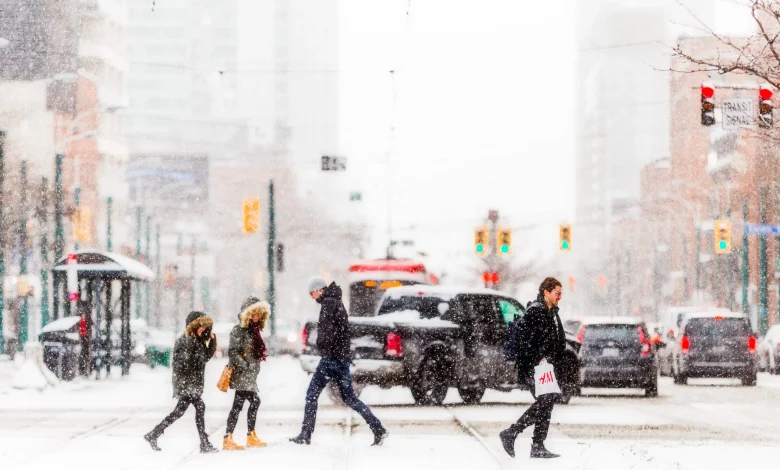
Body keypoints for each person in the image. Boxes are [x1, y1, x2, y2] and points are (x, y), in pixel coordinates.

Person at [290, 276, 388, 446]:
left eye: (312, 293)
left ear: (319, 290)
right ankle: (377, 428)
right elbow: (341, 331)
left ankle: (305, 434)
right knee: (350, 399)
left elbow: (328, 332)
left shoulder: (328, 304)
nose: (312, 297)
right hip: (341, 359)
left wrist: (321, 344)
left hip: (330, 359)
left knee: (311, 395)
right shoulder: (337, 301)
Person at [500, 277, 566, 459]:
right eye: (557, 293)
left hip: (544, 366)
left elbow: (554, 339)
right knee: (545, 401)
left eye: (561, 293)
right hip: (534, 367)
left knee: (547, 402)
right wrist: (539, 357)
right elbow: (526, 341)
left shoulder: (551, 311)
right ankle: (512, 433)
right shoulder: (536, 311)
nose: (560, 296)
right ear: (546, 292)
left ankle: (537, 445)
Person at [144, 311, 219, 453]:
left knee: (179, 412)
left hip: (192, 384)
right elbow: (183, 363)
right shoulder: (184, 340)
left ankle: (154, 434)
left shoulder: (197, 340)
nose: (203, 328)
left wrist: (212, 340)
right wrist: (195, 344)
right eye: (201, 326)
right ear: (194, 325)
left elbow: (205, 357)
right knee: (199, 407)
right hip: (185, 384)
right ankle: (204, 443)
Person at [222, 296, 270, 450]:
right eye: (256, 313)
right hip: (242, 374)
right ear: (248, 313)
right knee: (251, 403)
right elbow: (233, 352)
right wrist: (246, 366)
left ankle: (239, 436)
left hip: (249, 375)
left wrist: (253, 367)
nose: (258, 316)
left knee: (241, 405)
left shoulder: (254, 330)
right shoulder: (239, 330)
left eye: (260, 314)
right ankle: (236, 437)